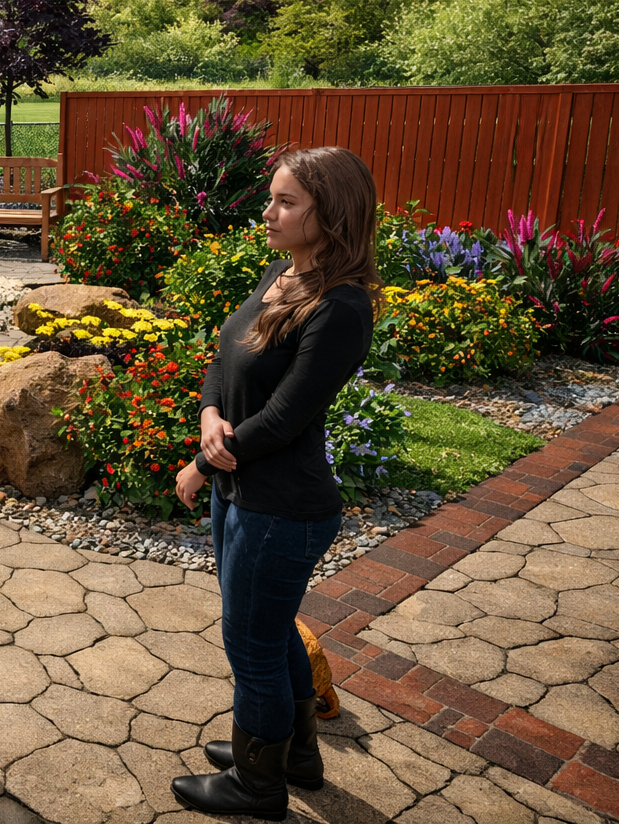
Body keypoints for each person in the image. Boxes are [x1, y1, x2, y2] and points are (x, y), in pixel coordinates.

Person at [168, 146, 381, 821]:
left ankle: (257, 786)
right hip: (245, 497)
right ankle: (294, 753)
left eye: (286, 202)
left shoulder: (340, 308)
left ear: (332, 215)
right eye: (273, 198)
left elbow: (286, 417)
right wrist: (208, 413)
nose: (268, 212)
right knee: (266, 629)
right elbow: (226, 356)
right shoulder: (281, 275)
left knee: (252, 645)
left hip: (283, 509)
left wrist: (203, 463)